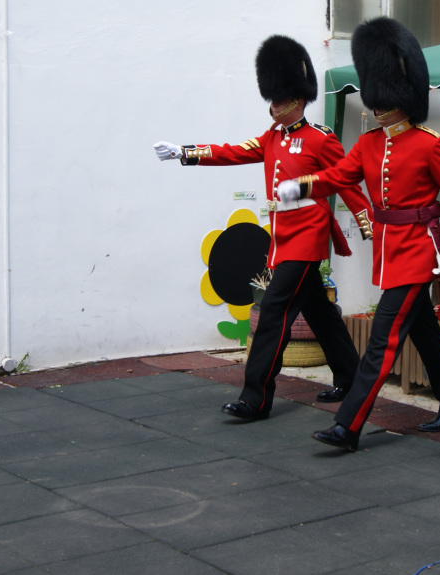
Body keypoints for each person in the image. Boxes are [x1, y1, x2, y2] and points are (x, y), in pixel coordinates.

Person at [275, 17, 440, 451]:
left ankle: (348, 425)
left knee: (382, 338)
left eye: (384, 98)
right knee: (425, 333)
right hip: (389, 250)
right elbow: (339, 175)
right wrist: (301, 186)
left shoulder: (429, 144)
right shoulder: (371, 143)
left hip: (418, 252)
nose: (377, 106)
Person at [154, 35, 361, 421]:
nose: (272, 106)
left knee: (272, 314)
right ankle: (351, 377)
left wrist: (368, 223)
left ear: (297, 100)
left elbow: (346, 180)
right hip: (283, 240)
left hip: (307, 238)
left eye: (279, 100)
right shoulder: (270, 139)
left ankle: (256, 398)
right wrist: (185, 152)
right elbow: (232, 151)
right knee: (320, 312)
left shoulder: (320, 139)